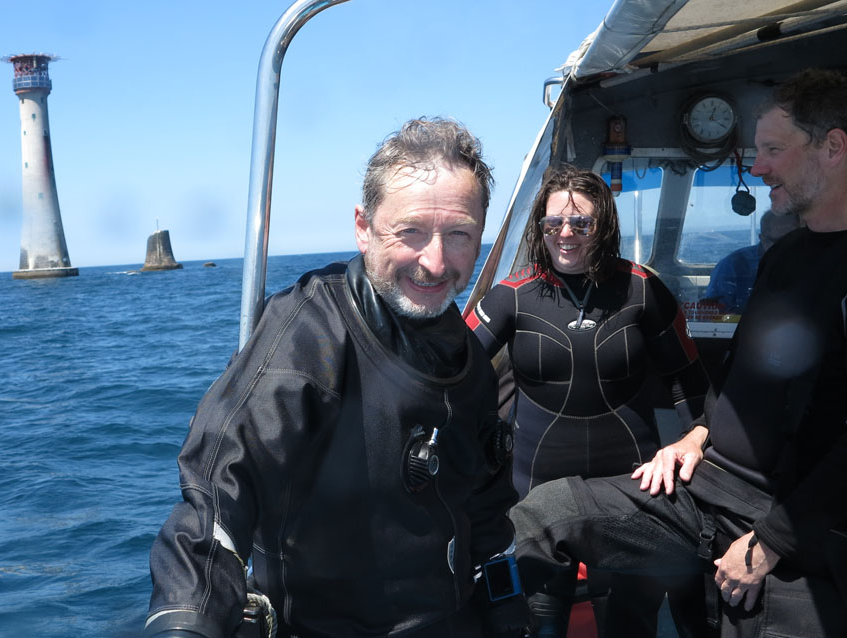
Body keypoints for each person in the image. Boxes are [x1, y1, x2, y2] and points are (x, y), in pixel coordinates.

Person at [143, 118, 527, 638]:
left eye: (459, 235)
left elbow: (485, 512)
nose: (435, 262)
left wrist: (505, 608)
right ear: (363, 227)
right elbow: (220, 489)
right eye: (410, 231)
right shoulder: (309, 332)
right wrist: (186, 624)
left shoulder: (468, 361)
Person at [508, 68, 847, 637]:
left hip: (798, 520)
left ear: (833, 147)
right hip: (707, 486)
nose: (757, 166)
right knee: (543, 518)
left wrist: (771, 544)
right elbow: (737, 379)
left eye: (771, 149)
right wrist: (695, 437)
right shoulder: (785, 256)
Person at [466, 166, 711, 637]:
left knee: (629, 622)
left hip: (631, 486)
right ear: (540, 226)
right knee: (539, 624)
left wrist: (694, 441)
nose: (566, 235)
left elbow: (692, 386)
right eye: (554, 223)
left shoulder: (641, 288)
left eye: (582, 224)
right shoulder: (512, 296)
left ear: (604, 227)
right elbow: (448, 372)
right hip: (535, 490)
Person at [700, 210, 799, 313]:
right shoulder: (732, 266)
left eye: (796, 240)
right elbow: (714, 315)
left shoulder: (811, 263)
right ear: (763, 239)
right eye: (781, 242)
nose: (790, 247)